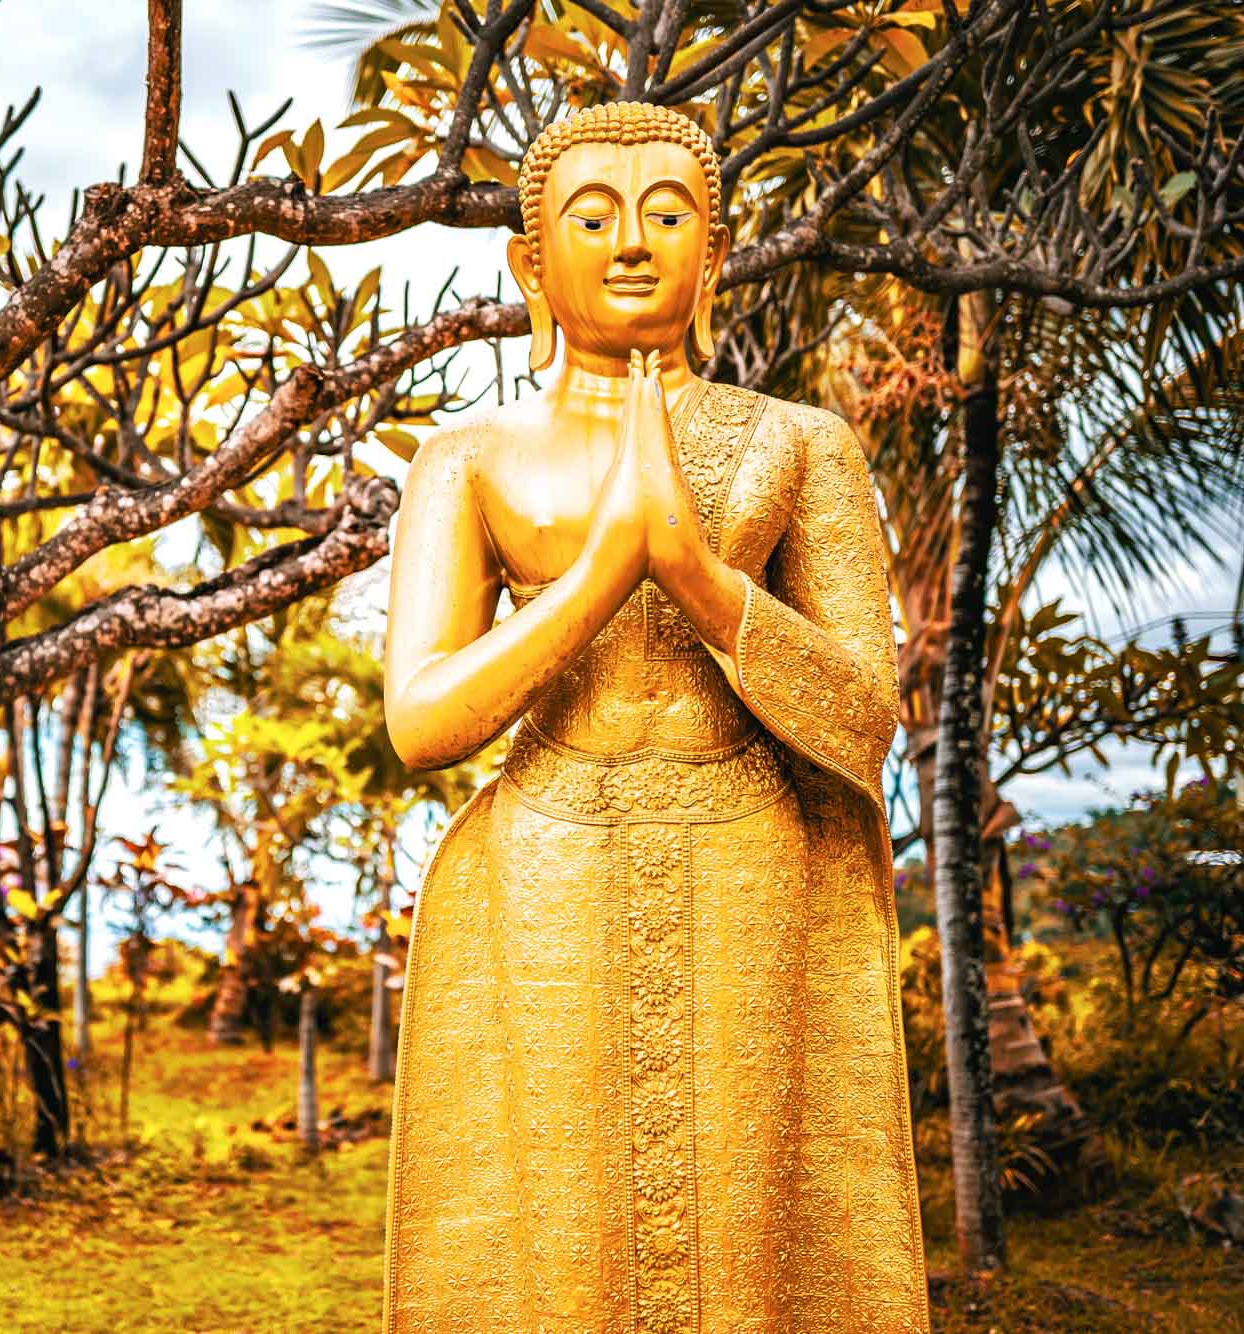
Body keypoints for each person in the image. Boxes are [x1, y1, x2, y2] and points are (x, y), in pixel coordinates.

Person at [380, 101, 930, 1331]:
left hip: (743, 847)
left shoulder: (799, 443)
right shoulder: (468, 457)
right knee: (560, 1232)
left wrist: (693, 571)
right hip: (548, 856)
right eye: (592, 216)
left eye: (667, 214)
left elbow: (862, 715)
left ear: (716, 251)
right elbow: (419, 721)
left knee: (741, 1233)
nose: (631, 242)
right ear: (530, 262)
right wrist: (598, 572)